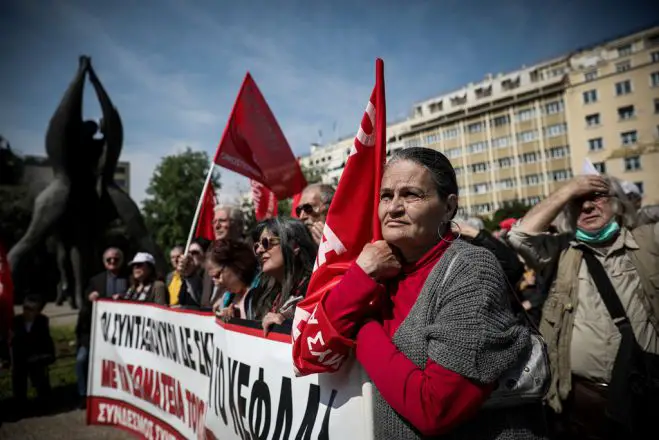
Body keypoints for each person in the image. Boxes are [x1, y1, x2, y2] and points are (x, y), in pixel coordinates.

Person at [311, 147, 546, 439]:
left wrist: (362, 325)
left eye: (411, 194)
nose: (394, 207)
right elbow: (316, 346)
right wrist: (361, 275)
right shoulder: (381, 270)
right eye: (386, 196)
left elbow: (435, 410)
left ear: (448, 207)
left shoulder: (471, 269)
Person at [507, 174, 659, 439]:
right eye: (578, 201)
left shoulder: (648, 241)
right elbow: (519, 236)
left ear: (618, 203)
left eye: (597, 197)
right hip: (582, 399)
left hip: (647, 391)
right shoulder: (561, 249)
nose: (587, 206)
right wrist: (569, 189)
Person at [252, 218, 317, 335]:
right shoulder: (262, 294)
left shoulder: (315, 290)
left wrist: (286, 326)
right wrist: (234, 316)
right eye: (257, 245)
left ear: (294, 246)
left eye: (266, 243)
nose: (259, 250)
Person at [11, 295, 55, 411]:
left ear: (37, 311)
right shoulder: (16, 321)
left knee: (39, 371)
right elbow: (15, 343)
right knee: (18, 372)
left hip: (36, 356)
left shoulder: (42, 321)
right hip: (21, 357)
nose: (26, 312)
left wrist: (43, 355)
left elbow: (45, 340)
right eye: (25, 308)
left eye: (30, 309)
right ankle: (20, 404)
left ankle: (44, 402)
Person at [207, 240, 259, 320]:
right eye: (213, 278)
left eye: (217, 275)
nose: (216, 283)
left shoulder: (264, 289)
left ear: (235, 264)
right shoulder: (226, 298)